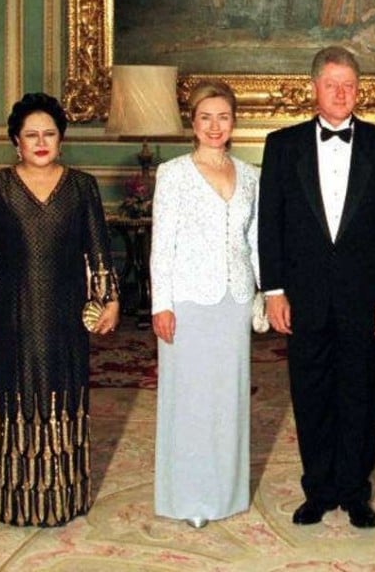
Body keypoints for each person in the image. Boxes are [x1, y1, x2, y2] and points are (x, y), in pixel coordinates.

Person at [258, 45, 375, 529]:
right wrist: (274, 290)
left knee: (361, 393)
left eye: (349, 85)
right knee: (309, 392)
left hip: (363, 298)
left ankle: (355, 491)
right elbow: (271, 224)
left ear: (358, 90)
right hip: (302, 297)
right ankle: (318, 488)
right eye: (332, 84)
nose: (341, 93)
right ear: (314, 90)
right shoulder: (281, 145)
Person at [0, 92, 120, 527]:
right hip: (13, 311)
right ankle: (18, 501)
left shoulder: (82, 185)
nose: (40, 141)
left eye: (49, 133)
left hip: (66, 310)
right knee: (18, 395)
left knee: (64, 391)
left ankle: (65, 498)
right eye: (31, 135)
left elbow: (98, 247)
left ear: (61, 139)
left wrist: (109, 297)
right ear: (16, 141)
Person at [150, 80, 260, 529]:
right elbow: (162, 244)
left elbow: (256, 242)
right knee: (190, 400)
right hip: (188, 302)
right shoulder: (173, 173)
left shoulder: (251, 174)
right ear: (192, 124)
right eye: (206, 118)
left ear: (234, 122)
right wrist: (162, 303)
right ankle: (189, 498)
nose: (215, 127)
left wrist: (262, 296)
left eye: (224, 117)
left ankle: (227, 493)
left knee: (228, 398)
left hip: (234, 301)